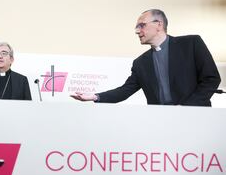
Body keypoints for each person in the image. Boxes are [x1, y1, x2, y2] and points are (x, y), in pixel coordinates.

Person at [71, 9, 221, 106]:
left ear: (159, 24)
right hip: (158, 122)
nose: (137, 31)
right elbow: (125, 91)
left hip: (195, 117)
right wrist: (95, 96)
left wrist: (186, 108)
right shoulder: (141, 63)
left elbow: (211, 79)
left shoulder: (191, 43)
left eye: (141, 25)